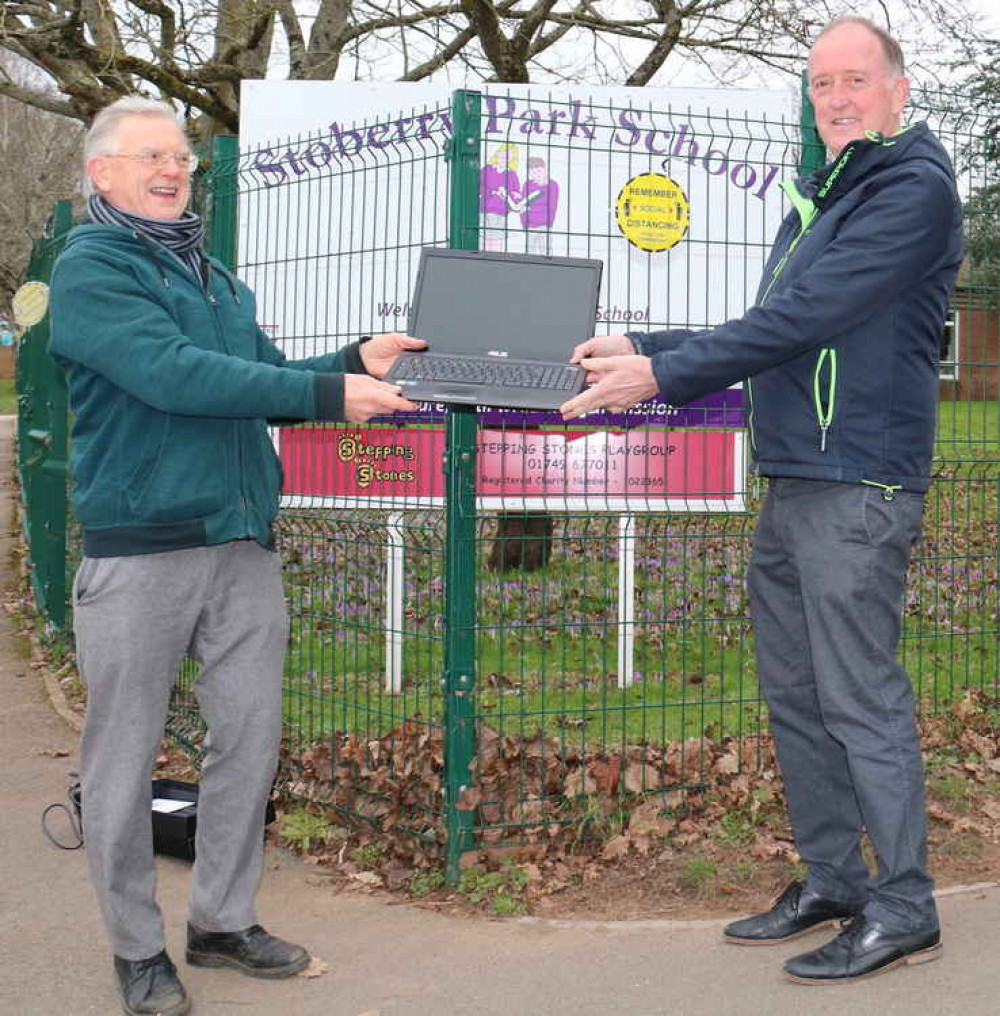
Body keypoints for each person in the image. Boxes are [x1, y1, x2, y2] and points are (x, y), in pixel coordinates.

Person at [561, 17, 963, 985]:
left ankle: (904, 904)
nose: (834, 97)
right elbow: (769, 325)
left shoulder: (910, 188)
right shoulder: (828, 192)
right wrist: (646, 340)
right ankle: (834, 878)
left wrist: (660, 373)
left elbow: (804, 316)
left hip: (856, 483)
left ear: (898, 89)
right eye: (820, 82)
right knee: (797, 691)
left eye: (854, 79)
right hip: (796, 476)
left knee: (858, 695)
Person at [48, 96, 425, 1016]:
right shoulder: (90, 269)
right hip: (142, 550)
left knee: (248, 740)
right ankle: (137, 950)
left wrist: (353, 362)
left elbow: (260, 381)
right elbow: (176, 376)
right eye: (151, 156)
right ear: (103, 173)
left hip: (240, 544)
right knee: (121, 758)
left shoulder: (216, 279)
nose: (175, 168)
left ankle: (219, 920)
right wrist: (333, 391)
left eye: (182, 155)